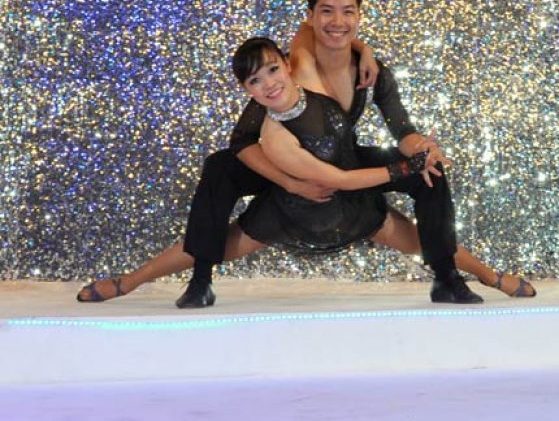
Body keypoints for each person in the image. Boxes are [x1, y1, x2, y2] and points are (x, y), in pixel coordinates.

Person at [77, 37, 535, 302]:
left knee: (427, 221)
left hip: (352, 202)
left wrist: (364, 49)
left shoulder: (309, 75)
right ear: (246, 90)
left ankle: (475, 278)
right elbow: (332, 179)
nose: (268, 84)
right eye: (255, 81)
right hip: (293, 206)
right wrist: (397, 170)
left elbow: (317, 29)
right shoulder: (273, 133)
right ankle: (141, 282)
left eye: (273, 71)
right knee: (211, 217)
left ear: (288, 65)